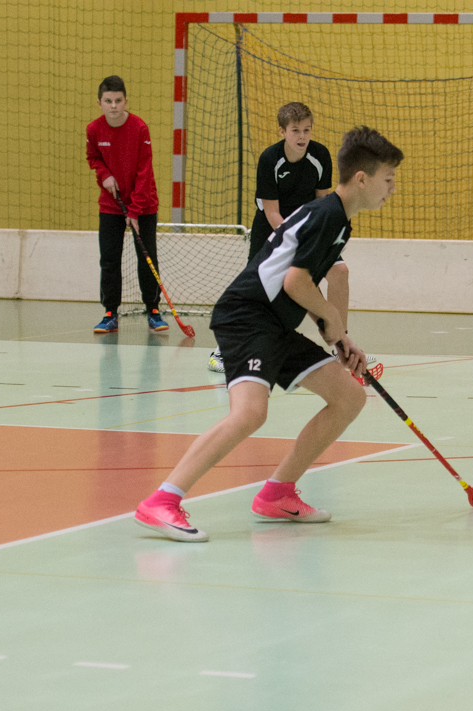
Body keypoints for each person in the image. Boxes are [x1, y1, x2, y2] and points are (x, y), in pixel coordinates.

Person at [135, 126, 403, 543]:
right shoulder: (328, 215)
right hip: (247, 316)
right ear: (362, 179)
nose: (392, 189)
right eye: (388, 179)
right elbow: (297, 282)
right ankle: (161, 501)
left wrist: (339, 338)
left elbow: (301, 286)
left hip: (274, 323)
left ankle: (277, 493)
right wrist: (332, 318)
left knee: (348, 396)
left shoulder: (339, 222)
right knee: (249, 413)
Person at [209, 102, 333, 372]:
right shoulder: (269, 159)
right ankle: (223, 350)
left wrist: (315, 237)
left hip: (304, 226)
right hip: (271, 225)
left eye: (307, 130)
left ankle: (336, 344)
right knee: (253, 289)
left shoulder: (320, 155)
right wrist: (293, 239)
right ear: (282, 132)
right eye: (295, 130)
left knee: (320, 279)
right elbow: (272, 211)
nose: (302, 136)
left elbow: (321, 204)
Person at [85, 75, 168, 334]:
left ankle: (153, 310)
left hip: (143, 205)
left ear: (125, 101)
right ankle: (110, 312)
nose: (113, 106)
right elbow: (93, 158)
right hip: (111, 206)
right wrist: (104, 174)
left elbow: (145, 171)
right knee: (109, 259)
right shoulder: (93, 130)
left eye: (118, 101)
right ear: (100, 103)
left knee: (147, 258)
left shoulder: (139, 128)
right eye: (108, 101)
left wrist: (134, 210)